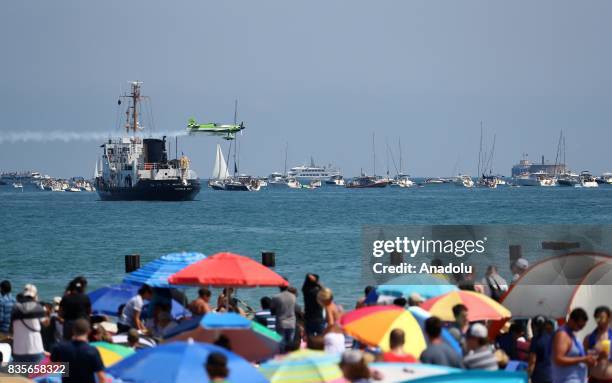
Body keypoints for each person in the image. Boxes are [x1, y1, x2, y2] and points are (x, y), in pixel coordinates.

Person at [51, 318, 106, 383]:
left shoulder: (60, 348)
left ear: (73, 330)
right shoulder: (92, 351)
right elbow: (102, 378)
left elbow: (55, 365)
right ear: (88, 331)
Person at [551, 308, 596, 383]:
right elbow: (558, 359)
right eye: (579, 326)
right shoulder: (562, 335)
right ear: (571, 320)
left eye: (582, 327)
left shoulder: (571, 335)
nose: (580, 329)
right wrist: (583, 359)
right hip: (566, 380)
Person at [11, 284, 46, 363]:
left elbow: (12, 327)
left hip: (18, 349)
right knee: (37, 374)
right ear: (35, 296)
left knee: (20, 374)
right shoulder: (38, 307)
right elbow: (45, 324)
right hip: (35, 348)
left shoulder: (15, 308)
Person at [583, 306, 612, 383]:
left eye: (602, 317)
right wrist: (599, 357)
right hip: (594, 379)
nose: (599, 321)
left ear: (609, 318)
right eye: (597, 318)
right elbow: (584, 361)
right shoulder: (588, 338)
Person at [271, 283, 296, 352]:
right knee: (290, 343)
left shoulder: (276, 297)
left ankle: (282, 358)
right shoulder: (293, 296)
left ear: (279, 286)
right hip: (291, 322)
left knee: (282, 343)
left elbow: (272, 311)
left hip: (280, 322)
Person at [528, 315, 553, 383]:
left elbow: (533, 360)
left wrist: (528, 374)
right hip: (551, 375)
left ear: (534, 326)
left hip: (539, 376)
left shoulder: (535, 340)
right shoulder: (552, 339)